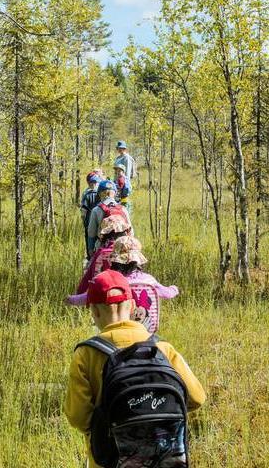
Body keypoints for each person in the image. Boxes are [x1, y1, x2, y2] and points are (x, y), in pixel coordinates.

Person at [64, 270, 206, 468]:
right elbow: (197, 398)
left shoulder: (85, 354)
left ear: (94, 311)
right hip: (163, 459)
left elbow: (78, 418)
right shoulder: (162, 348)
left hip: (109, 461)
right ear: (132, 306)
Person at [66, 235, 178, 333]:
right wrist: (175, 288)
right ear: (138, 260)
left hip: (120, 330)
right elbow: (168, 293)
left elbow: (89, 297)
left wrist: (71, 299)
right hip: (147, 330)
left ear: (115, 260)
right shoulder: (149, 280)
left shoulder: (112, 282)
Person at [87, 180, 130, 256]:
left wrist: (90, 249)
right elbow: (130, 230)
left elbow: (91, 233)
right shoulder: (123, 209)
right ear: (115, 193)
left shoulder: (96, 210)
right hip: (122, 247)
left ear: (99, 194)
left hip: (103, 248)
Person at [81, 173, 102, 259]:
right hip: (98, 220)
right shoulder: (100, 194)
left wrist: (83, 220)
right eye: (92, 182)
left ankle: (90, 256)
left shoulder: (87, 195)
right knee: (98, 237)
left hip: (89, 220)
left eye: (94, 182)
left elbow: (83, 211)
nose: (93, 184)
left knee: (89, 237)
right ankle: (97, 255)